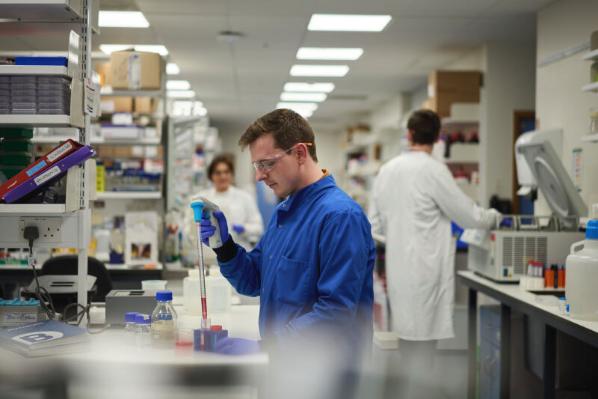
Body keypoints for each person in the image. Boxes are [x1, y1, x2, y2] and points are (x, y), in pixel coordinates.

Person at [200, 108, 375, 356]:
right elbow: (255, 280)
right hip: (286, 363)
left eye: (267, 163)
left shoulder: (340, 217)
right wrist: (224, 246)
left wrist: (267, 347)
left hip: (326, 374)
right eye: (256, 166)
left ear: (300, 153)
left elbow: (334, 313)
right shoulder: (285, 212)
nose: (260, 176)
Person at [369, 109, 499, 397]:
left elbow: (374, 224)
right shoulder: (433, 169)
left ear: (410, 134)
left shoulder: (387, 170)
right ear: (438, 137)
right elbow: (467, 215)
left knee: (406, 339)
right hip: (425, 268)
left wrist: (398, 238)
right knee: (423, 345)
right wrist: (493, 216)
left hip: (399, 269)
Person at [197, 154, 263, 249]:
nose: (223, 176)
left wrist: (244, 228)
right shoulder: (203, 199)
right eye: (218, 173)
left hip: (239, 251)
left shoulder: (245, 197)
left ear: (232, 174)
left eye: (226, 172)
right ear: (211, 176)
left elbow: (259, 228)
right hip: (210, 253)